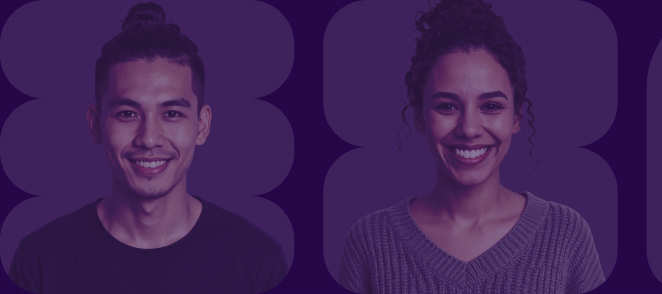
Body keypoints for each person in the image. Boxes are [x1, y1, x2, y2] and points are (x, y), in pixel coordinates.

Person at [8, 3, 287, 293]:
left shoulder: (259, 263)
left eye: (172, 113)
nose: (149, 138)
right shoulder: (40, 261)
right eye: (128, 113)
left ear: (201, 126)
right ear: (95, 125)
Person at [333, 0, 603, 292]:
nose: (470, 129)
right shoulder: (370, 242)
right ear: (419, 116)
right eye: (448, 106)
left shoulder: (565, 235)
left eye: (490, 106)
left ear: (516, 117)